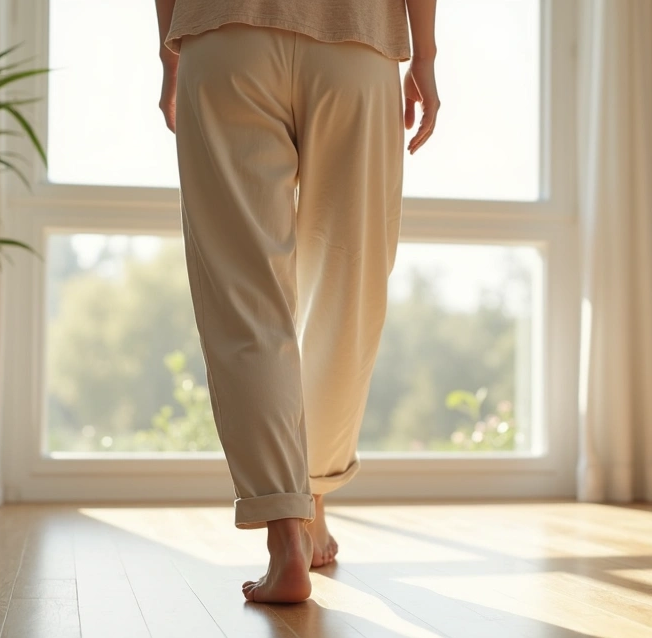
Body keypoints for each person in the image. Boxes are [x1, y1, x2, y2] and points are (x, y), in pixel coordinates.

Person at [154, 0, 439, 603]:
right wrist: (428, 60)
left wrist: (168, 54)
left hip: (223, 35)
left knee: (244, 298)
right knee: (346, 296)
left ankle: (288, 534)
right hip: (356, 42)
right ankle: (311, 501)